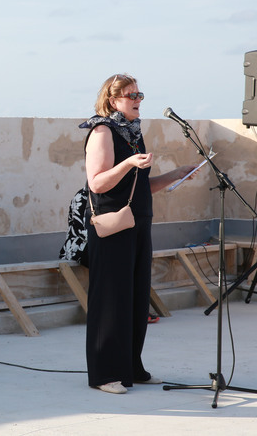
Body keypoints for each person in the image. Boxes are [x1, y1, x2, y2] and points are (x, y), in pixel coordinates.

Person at [81, 73, 197, 395]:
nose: (138, 100)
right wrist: (129, 163)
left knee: (135, 298)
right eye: (131, 95)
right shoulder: (102, 131)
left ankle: (132, 367)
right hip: (113, 227)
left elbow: (140, 185)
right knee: (111, 300)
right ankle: (105, 374)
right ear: (112, 100)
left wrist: (177, 175)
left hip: (138, 224)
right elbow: (98, 183)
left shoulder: (132, 133)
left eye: (140, 94)